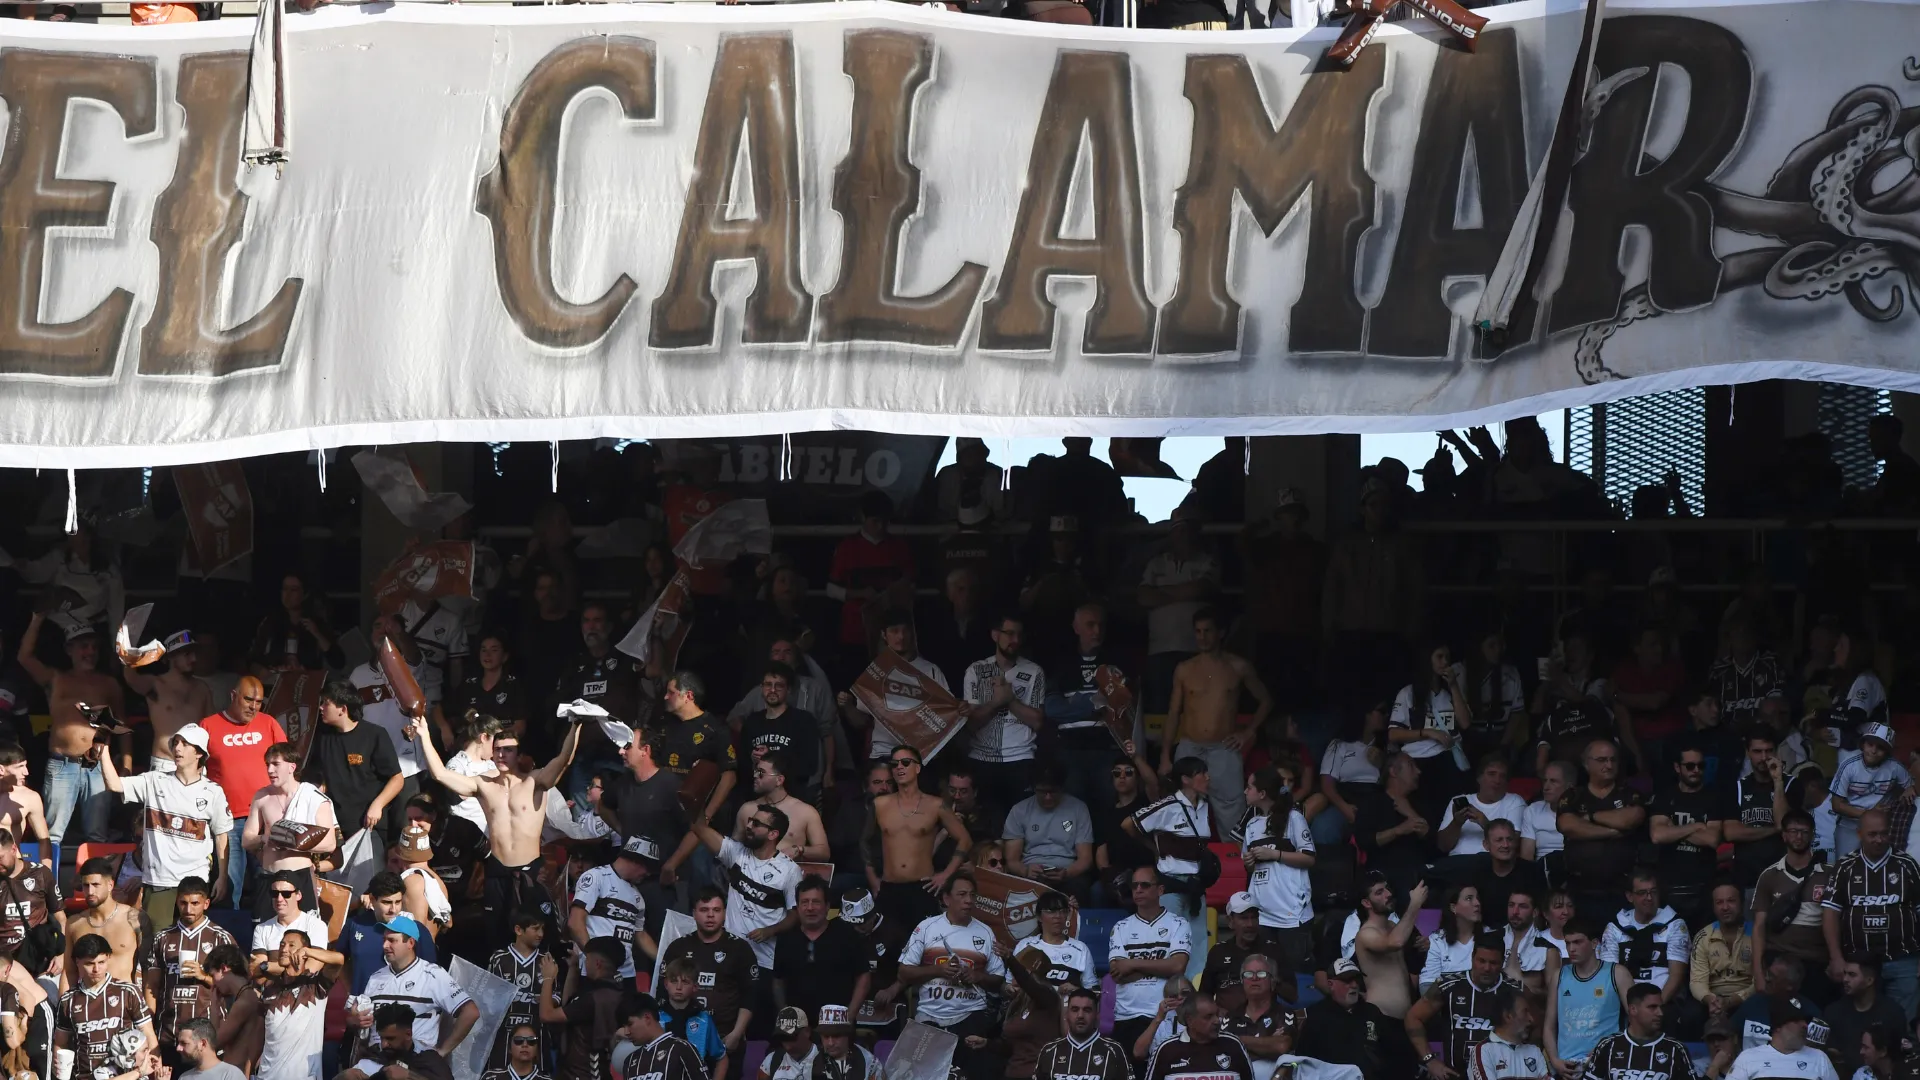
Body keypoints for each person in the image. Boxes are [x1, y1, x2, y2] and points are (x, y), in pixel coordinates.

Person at [412, 706, 581, 944]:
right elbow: (440, 774)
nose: (502, 755)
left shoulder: (536, 781)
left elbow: (564, 759)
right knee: (497, 938)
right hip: (497, 873)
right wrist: (425, 735)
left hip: (530, 872)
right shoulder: (483, 785)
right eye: (498, 750)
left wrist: (576, 725)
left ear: (518, 754)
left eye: (508, 750)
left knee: (541, 938)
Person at [99, 723, 232, 924]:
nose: (177, 748)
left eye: (185, 744)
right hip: (159, 881)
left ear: (199, 753)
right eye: (176, 742)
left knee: (191, 942)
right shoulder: (154, 780)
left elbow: (222, 836)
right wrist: (103, 749)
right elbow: (114, 784)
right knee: (157, 944)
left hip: (195, 883)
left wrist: (222, 877)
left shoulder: (213, 791)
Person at [1160, 607, 1272, 839]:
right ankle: (1185, 867)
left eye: (1208, 631)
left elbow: (1266, 701)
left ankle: (1234, 870)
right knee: (1182, 810)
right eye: (1198, 631)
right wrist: (1164, 756)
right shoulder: (1184, 669)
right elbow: (1173, 713)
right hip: (1190, 746)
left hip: (1224, 747)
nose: (1202, 637)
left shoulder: (1238, 666)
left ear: (1221, 633)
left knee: (1232, 813)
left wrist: (1248, 732)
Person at [690, 797, 802, 1004]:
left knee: (758, 1023)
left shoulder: (789, 871)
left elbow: (795, 914)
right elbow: (698, 828)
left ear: (773, 834)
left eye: (757, 824)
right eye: (750, 820)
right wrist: (697, 798)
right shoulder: (736, 853)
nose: (749, 826)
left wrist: (770, 931)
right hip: (728, 954)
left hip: (764, 960)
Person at [896, 871, 1006, 1075]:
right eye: (962, 894)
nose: (968, 900)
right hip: (929, 1015)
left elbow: (998, 980)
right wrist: (938, 970)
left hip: (970, 1014)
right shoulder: (926, 928)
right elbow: (904, 972)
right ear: (946, 898)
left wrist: (977, 976)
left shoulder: (986, 932)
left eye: (972, 895)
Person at [1822, 809, 1920, 1019]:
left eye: (1884, 833)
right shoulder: (1844, 867)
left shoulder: (1907, 865)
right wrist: (1836, 957)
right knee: (1860, 1023)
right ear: (1859, 834)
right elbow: (1830, 913)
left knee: (1901, 1024)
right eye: (1872, 834)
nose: (1879, 839)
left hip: (1902, 960)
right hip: (1858, 963)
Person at [1125, 756, 1214, 979]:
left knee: (1198, 947)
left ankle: (1192, 998)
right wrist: (1154, 848)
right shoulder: (1167, 805)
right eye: (1201, 773)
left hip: (1196, 887)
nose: (1207, 777)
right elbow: (1128, 825)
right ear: (1185, 779)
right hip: (1171, 885)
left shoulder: (1204, 806)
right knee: (1167, 944)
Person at [595, 728, 692, 928]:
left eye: (628, 747)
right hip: (627, 883)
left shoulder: (671, 785)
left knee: (661, 944)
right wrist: (623, 831)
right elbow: (603, 806)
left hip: (662, 883)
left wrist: (672, 864)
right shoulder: (623, 783)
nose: (621, 752)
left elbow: (697, 830)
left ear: (645, 750)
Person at [1043, 602, 1135, 813]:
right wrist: (1094, 702)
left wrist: (1075, 703)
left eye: (1100, 625)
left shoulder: (1118, 661)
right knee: (1073, 812)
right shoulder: (1061, 664)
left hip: (1107, 749)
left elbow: (1123, 705)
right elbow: (1052, 709)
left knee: (1109, 810)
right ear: (1076, 628)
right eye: (1090, 625)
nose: (1097, 631)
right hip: (1070, 751)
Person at [869, 746, 971, 928]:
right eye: (895, 764)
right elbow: (864, 842)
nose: (899, 767)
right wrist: (872, 878)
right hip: (889, 886)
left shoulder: (936, 804)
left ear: (917, 768)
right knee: (886, 948)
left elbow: (965, 840)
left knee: (925, 948)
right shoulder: (879, 804)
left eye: (905, 763)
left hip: (922, 887)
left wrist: (946, 874)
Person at [305, 680, 405, 858]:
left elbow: (397, 778)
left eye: (326, 702)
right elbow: (317, 776)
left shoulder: (375, 735)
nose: (321, 707)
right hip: (335, 828)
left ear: (342, 709)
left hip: (369, 825)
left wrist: (378, 805)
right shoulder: (322, 738)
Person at [355, 914, 478, 1055]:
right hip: (377, 1058)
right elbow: (361, 1028)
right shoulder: (375, 978)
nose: (385, 945)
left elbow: (471, 1012)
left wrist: (442, 1052)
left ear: (411, 943)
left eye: (392, 940)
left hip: (416, 1061)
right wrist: (355, 1020)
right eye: (384, 940)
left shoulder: (433, 975)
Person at [837, 614, 951, 766]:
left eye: (905, 631)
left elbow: (948, 717)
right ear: (884, 635)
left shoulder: (931, 671)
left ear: (913, 633)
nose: (901, 636)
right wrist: (848, 706)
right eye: (895, 631)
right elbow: (862, 722)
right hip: (884, 753)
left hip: (920, 755)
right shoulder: (876, 672)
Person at [657, 887, 758, 1056]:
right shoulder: (678, 947)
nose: (710, 915)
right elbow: (662, 992)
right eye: (704, 910)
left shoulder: (740, 949)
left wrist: (737, 1033)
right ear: (694, 913)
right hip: (681, 1037)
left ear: (725, 913)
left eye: (716, 910)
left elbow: (751, 996)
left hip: (725, 1037)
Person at [1406, 936, 1523, 1080]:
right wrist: (1429, 1060)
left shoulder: (1515, 990)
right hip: (1456, 1075)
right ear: (1472, 958)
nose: (1486, 968)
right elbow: (1413, 1018)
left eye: (1493, 963)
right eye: (1481, 961)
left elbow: (1535, 1027)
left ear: (1502, 963)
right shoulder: (1447, 985)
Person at [1110, 866, 1194, 1067]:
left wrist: (1132, 963)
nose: (1138, 890)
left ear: (1160, 890)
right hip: (1126, 1016)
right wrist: (1160, 966)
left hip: (1166, 1016)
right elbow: (1118, 973)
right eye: (1134, 886)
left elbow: (1177, 967)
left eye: (1145, 885)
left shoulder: (1179, 924)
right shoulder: (1120, 927)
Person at [963, 613, 1047, 810]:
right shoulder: (976, 670)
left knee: (1020, 826)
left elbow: (1038, 722)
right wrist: (995, 703)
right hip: (982, 758)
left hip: (1021, 757)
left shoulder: (1034, 671)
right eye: (1009, 634)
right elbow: (970, 724)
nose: (1015, 640)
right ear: (995, 635)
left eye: (1019, 634)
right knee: (986, 823)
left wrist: (1010, 700)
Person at [142, 876, 235, 1056]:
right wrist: (149, 1028)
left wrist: (204, 976)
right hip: (168, 1034)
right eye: (183, 903)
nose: (188, 909)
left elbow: (235, 985)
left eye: (195, 903)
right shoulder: (162, 938)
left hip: (208, 1034)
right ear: (177, 902)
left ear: (206, 903)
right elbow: (151, 985)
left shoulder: (220, 938)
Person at [240, 742, 336, 914]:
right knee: (264, 934)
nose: (270, 770)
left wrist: (292, 842)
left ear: (292, 767)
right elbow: (246, 839)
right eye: (267, 764)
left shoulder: (314, 798)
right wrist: (266, 838)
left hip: (300, 875)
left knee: (303, 936)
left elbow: (329, 844)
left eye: (276, 764)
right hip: (269, 875)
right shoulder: (262, 797)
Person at [1557, 738, 1647, 919]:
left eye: (1613, 760)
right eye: (1602, 760)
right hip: (1580, 890)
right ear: (1586, 764)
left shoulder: (1629, 794)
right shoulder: (1574, 796)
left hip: (1622, 891)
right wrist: (1611, 831)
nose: (1609, 765)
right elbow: (1568, 825)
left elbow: (1631, 818)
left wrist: (1590, 817)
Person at [1599, 870, 1696, 1035]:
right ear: (1630, 896)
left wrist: (1653, 1008)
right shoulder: (1615, 927)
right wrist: (1633, 1012)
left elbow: (1676, 976)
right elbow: (1610, 974)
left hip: (1665, 1001)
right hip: (1625, 1003)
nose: (1649, 898)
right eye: (1642, 893)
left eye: (1653, 892)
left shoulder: (1674, 924)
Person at [1752, 811, 1833, 1001]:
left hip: (1816, 961)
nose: (1799, 836)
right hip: (1779, 959)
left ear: (1812, 835)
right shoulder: (1769, 875)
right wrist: (1758, 972)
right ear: (1784, 835)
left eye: (1804, 832)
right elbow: (1758, 927)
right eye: (1793, 831)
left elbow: (1839, 920)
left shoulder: (1830, 873)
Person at [772, 876, 871, 1028]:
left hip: (838, 1024)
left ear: (827, 906)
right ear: (797, 907)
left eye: (816, 902)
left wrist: (850, 1015)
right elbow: (778, 980)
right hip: (798, 1028)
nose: (810, 908)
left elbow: (863, 975)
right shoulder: (786, 939)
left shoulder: (847, 935)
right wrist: (785, 1013)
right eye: (804, 902)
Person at [1241, 765, 1315, 969]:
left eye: (1249, 787)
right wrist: (1249, 863)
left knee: (1294, 975)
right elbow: (1249, 868)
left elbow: (1309, 858)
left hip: (1291, 912)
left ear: (1262, 793)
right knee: (1265, 974)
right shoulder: (1251, 825)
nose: (1245, 791)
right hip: (1262, 912)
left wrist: (1275, 854)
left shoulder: (1294, 818)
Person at [54, 934, 156, 1080]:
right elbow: (60, 1043)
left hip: (126, 1075)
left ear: (109, 958)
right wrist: (60, 1068)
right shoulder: (68, 1000)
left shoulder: (128, 992)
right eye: (90, 964)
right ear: (78, 962)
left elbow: (148, 1034)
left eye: (101, 962)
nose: (96, 969)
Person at [1648, 744, 1727, 928]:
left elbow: (1712, 839)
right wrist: (1696, 826)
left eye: (1701, 766)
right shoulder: (1664, 796)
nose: (1696, 770)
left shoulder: (1713, 797)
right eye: (1690, 766)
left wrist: (1673, 830)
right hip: (1670, 885)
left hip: (1704, 886)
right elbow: (1657, 835)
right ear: (1677, 767)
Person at [654, 670, 739, 830]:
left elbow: (729, 777)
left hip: (696, 817)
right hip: (665, 812)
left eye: (671, 692)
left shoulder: (714, 729)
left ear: (689, 696)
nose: (666, 697)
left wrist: (706, 817)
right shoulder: (665, 725)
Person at [253, 928, 341, 1080]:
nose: (284, 949)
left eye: (291, 945)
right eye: (282, 944)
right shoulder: (269, 987)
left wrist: (308, 952)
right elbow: (261, 1033)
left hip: (303, 1075)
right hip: (267, 1074)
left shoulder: (315, 984)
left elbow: (339, 959)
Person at [1392, 642, 1475, 803]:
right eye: (1439, 657)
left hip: (1448, 760)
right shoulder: (1408, 693)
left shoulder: (1451, 693)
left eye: (1447, 658)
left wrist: (1454, 686)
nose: (1445, 662)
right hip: (1418, 761)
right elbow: (1393, 734)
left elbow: (1465, 723)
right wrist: (1427, 732)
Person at [569, 835, 660, 981]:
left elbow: (640, 934)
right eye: (648, 867)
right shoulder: (596, 877)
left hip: (626, 974)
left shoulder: (637, 896)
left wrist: (662, 961)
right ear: (636, 860)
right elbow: (575, 922)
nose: (648, 873)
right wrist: (593, 958)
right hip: (596, 971)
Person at [537, 938, 627, 1080]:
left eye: (587, 959)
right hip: (590, 1071)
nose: (585, 963)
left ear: (597, 963)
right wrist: (573, 967)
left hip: (581, 1072)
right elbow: (569, 1006)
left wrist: (547, 978)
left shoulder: (595, 998)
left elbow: (547, 1015)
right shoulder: (611, 990)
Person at [1003, 762, 1096, 900]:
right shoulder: (1019, 810)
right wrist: (1026, 871)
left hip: (1067, 874)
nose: (1048, 797)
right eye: (1042, 791)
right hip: (1030, 873)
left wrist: (1066, 873)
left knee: (1079, 889)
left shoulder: (1078, 808)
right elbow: (1011, 860)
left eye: (1053, 791)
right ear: (1033, 788)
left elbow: (1086, 859)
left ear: (1062, 788)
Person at [735, 662, 825, 803]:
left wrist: (771, 757)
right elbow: (741, 765)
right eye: (768, 685)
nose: (772, 690)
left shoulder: (803, 720)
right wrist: (753, 761)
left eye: (779, 685)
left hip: (793, 798)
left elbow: (809, 766)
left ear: (788, 689)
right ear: (761, 688)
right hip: (757, 799)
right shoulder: (752, 722)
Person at [122, 633, 211, 775]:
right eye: (187, 654)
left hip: (196, 766)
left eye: (194, 654)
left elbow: (210, 728)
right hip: (164, 766)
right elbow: (131, 677)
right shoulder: (156, 684)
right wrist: (134, 655)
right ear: (170, 657)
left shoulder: (202, 688)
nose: (193, 659)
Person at [1544, 920, 1620, 1079]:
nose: (1571, 949)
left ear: (1594, 943)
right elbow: (1549, 1027)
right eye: (1568, 943)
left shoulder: (1616, 973)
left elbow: (1635, 1020)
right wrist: (1555, 1061)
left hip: (1603, 1065)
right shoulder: (1559, 976)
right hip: (1566, 1068)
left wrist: (1602, 1050)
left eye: (1577, 942)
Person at [1581, 983, 1701, 1080]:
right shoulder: (1608, 1045)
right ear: (1633, 1009)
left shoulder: (1676, 1049)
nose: (1660, 1013)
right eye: (1652, 1007)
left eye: (1661, 1007)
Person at [1830, 725, 1913, 858]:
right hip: (1850, 826)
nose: (1873, 751)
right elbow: (1836, 805)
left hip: (1881, 829)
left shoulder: (1895, 767)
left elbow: (1912, 787)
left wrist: (1910, 789)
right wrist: (1870, 814)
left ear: (1887, 751)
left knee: (1881, 868)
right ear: (1863, 745)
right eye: (1870, 744)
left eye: (1880, 747)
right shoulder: (1849, 765)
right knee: (1845, 865)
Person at [731, 752, 830, 862]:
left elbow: (824, 853)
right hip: (750, 874)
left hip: (787, 875)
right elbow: (732, 850)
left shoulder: (806, 812)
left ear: (779, 780)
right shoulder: (747, 809)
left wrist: (799, 850)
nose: (755, 776)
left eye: (761, 773)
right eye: (755, 771)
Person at [1202, 893, 1292, 1014]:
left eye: (1254, 917)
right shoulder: (1218, 952)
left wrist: (1272, 978)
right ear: (1230, 921)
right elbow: (1203, 997)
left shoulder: (1273, 950)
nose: (1250, 924)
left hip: (1264, 1024)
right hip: (1224, 1025)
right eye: (1244, 918)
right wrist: (1217, 1011)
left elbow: (1292, 996)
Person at [1357, 751, 1430, 899]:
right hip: (1384, 875)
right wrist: (1399, 830)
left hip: (1419, 874)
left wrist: (1410, 812)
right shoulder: (1372, 803)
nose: (1418, 771)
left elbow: (1433, 843)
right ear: (1393, 771)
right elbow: (1365, 841)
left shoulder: (1420, 804)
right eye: (1411, 766)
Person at [1355, 874, 1428, 1018]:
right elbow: (1395, 942)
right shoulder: (1366, 933)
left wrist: (1422, 947)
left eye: (1387, 889)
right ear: (1366, 903)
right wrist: (1414, 905)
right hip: (1381, 1018)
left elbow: (1409, 967)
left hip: (1404, 1018)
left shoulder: (1393, 927)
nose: (1388, 894)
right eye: (1379, 892)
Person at [1728, 734, 1794, 890]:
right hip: (1746, 877)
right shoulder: (1737, 787)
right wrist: (1773, 830)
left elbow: (1783, 822)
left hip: (1782, 875)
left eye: (1769, 751)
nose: (1764, 757)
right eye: (1757, 751)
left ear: (1777, 752)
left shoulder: (1791, 784)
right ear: (1747, 753)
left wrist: (1778, 781)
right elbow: (1731, 832)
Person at [65, 857, 144, 986]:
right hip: (88, 1000)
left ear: (110, 885)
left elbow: (148, 968)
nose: (90, 891)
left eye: (96, 885)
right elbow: (69, 972)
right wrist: (65, 1004)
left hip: (125, 999)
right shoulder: (74, 924)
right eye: (86, 885)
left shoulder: (134, 918)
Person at [1825, 959, 1909, 1078]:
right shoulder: (1833, 1011)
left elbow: (1900, 1054)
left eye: (1852, 975)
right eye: (1845, 974)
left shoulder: (1892, 1011)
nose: (1845, 979)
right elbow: (1831, 1053)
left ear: (1869, 980)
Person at [1142, 992, 1256, 1080]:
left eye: (1217, 1014)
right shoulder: (1166, 1049)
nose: (1216, 1021)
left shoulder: (1233, 1045)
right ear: (1190, 1020)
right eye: (1208, 1016)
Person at [486, 909, 549, 1067]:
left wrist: (546, 999)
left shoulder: (546, 960)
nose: (540, 934)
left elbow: (557, 996)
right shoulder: (499, 959)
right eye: (535, 929)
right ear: (518, 930)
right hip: (502, 1035)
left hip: (537, 1033)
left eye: (542, 929)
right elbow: (486, 995)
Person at [1725, 996, 1838, 1080]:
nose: (1805, 1025)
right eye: (1796, 1020)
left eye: (1805, 1021)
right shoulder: (1748, 1058)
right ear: (1778, 1026)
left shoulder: (1819, 1058)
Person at [1036, 984, 1133, 1080]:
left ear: (1097, 1015)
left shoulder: (1114, 1051)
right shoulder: (1049, 1051)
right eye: (1075, 1010)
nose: (1080, 1015)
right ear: (1066, 1014)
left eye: (1087, 1010)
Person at [248, 871, 336, 976]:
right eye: (275, 894)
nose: (279, 899)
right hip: (271, 990)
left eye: (286, 894)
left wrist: (268, 966)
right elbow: (257, 972)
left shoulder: (316, 925)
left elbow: (310, 968)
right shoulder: (262, 929)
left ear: (298, 895)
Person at [1470, 821, 1548, 937]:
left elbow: (1540, 914)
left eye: (1510, 839)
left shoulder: (1533, 871)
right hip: (1485, 937)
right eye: (1499, 840)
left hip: (1524, 936)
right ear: (1486, 845)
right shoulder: (1478, 870)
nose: (1506, 845)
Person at [1224, 952, 1297, 1076]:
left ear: (1272, 982)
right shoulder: (1230, 1017)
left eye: (1261, 974)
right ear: (1242, 981)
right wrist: (1268, 1043)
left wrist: (1238, 1040)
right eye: (1248, 974)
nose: (1254, 978)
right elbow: (1225, 1052)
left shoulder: (1284, 1013)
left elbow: (1281, 1046)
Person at [339, 1003, 457, 1080]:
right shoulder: (373, 1056)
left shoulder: (429, 1059)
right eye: (381, 1038)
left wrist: (409, 1077)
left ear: (408, 1034)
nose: (384, 1044)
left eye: (390, 1038)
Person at [1440, 757, 1528, 858]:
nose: (1497, 780)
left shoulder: (1514, 801)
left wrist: (1485, 823)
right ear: (1479, 778)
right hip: (1457, 862)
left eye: (1502, 776)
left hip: (1490, 863)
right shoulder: (1458, 800)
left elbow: (1515, 842)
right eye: (1491, 774)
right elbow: (1443, 846)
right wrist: (1456, 823)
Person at [654, 958, 727, 1078]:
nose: (678, 987)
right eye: (673, 981)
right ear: (666, 984)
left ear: (695, 987)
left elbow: (721, 1058)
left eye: (685, 982)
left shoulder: (704, 1019)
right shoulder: (655, 1017)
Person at [1013, 891, 1097, 993]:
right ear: (1039, 916)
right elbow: (1008, 985)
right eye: (1051, 911)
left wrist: (1076, 990)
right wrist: (1010, 989)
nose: (1058, 916)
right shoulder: (1025, 946)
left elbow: (1093, 991)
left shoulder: (1080, 949)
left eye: (1062, 911)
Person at [618, 992, 710, 1080]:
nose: (626, 1032)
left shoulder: (682, 1049)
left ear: (647, 1018)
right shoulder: (630, 1061)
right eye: (624, 1026)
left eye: (629, 1024)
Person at [1469, 985, 1551, 1080]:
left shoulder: (1534, 1051)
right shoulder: (1484, 1050)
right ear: (1508, 1016)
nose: (1531, 1019)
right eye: (1525, 1012)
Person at [0, 827, 61, 954]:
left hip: (37, 954)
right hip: (3, 957)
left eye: (0, 858)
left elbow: (61, 918)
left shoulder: (40, 873)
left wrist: (61, 955)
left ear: (13, 849)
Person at [1423, 886, 1488, 992]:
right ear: (1453, 907)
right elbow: (1427, 985)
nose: (1477, 903)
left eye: (1478, 898)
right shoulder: (1437, 940)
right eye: (1469, 898)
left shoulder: (1490, 936)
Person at [1519, 760, 1573, 878]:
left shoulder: (1582, 810)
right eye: (1545, 781)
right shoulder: (1533, 810)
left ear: (1569, 787)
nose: (1546, 787)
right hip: (1542, 873)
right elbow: (1526, 858)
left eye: (1553, 781)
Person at [0, 745, 51, 858]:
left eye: (25, 765)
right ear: (1, 769)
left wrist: (46, 872)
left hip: (13, 868)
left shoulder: (29, 797)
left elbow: (44, 840)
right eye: (20, 767)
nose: (26, 772)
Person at [171, 1017, 242, 1080]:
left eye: (184, 1043)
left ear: (203, 1043)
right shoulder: (184, 1077)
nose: (178, 1048)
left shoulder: (230, 1075)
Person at [757, 1005, 816, 1079]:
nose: (788, 1047)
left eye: (791, 1037)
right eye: (783, 1037)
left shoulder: (825, 1059)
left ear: (807, 1032)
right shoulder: (772, 1060)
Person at [480, 1022, 549, 1080]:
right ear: (509, 1048)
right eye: (518, 1040)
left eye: (531, 1041)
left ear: (537, 1049)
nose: (525, 1045)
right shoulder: (490, 1077)